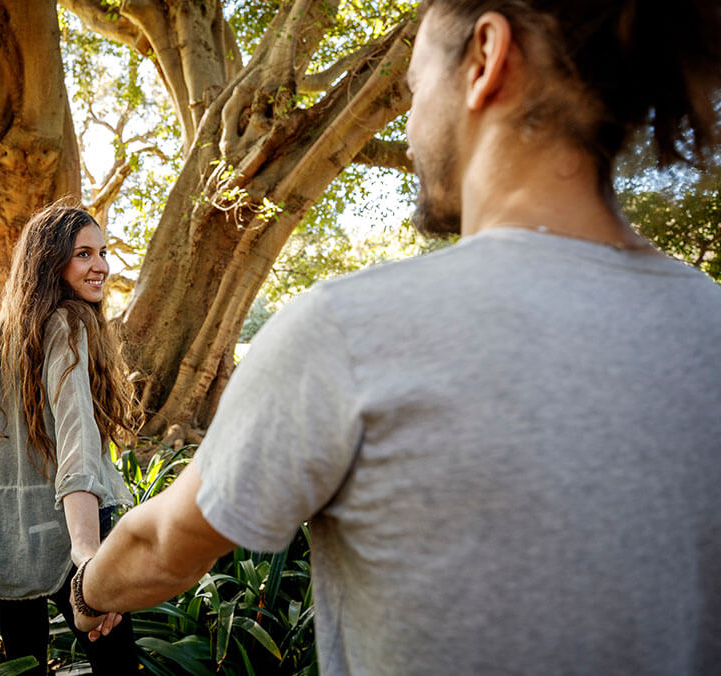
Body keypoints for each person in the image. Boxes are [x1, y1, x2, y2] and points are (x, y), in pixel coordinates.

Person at [68, 1, 721, 674]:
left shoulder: (347, 333)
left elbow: (164, 544)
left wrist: (86, 592)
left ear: (487, 57)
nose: (408, 132)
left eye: (413, 90)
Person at [0, 205, 140, 675]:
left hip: (11, 527)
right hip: (72, 523)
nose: (100, 265)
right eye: (83, 253)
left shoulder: (8, 329)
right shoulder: (68, 323)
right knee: (116, 663)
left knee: (23, 665)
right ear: (50, 261)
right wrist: (87, 554)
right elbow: (77, 440)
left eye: (102, 252)